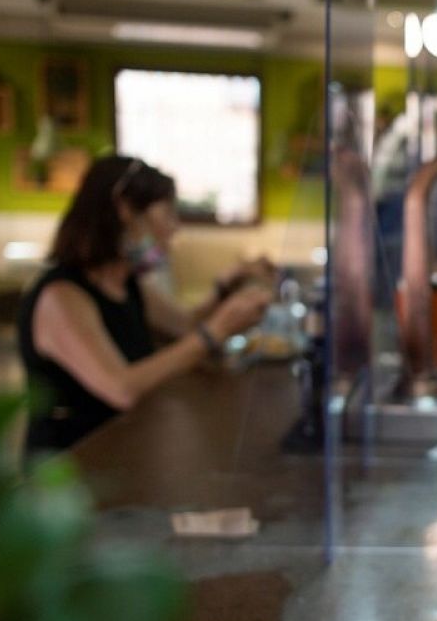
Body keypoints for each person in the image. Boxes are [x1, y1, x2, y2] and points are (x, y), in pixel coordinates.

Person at [17, 155, 272, 453]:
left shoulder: (126, 285)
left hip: (120, 449)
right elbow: (120, 389)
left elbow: (188, 326)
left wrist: (224, 289)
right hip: (67, 470)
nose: (174, 229)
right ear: (125, 209)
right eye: (167, 214)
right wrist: (215, 332)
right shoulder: (60, 296)